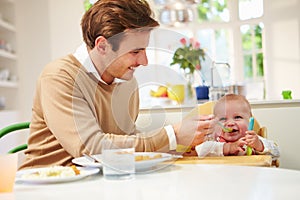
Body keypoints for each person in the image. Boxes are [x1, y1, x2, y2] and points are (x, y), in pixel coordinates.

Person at [19, 0, 215, 169]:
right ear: (102, 46)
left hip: (100, 183)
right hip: (46, 187)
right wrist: (172, 135)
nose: (144, 61)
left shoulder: (126, 82)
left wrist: (182, 148)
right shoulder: (59, 77)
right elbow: (91, 148)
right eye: (135, 51)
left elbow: (126, 146)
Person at [195, 94, 280, 159]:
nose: (230, 123)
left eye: (237, 117)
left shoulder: (251, 140)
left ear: (249, 121)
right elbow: (200, 151)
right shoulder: (213, 139)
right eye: (223, 119)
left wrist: (259, 145)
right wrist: (228, 147)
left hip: (247, 177)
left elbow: (276, 153)